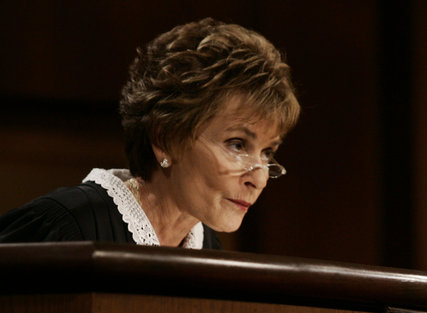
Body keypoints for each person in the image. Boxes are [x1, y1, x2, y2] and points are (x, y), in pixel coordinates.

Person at [0, 18, 300, 248]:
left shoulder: (206, 247)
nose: (258, 178)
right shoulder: (67, 226)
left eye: (267, 152)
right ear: (164, 139)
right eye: (237, 144)